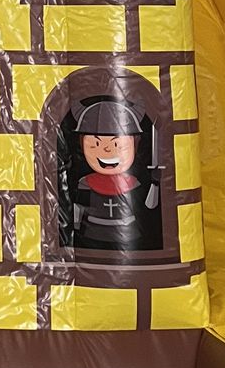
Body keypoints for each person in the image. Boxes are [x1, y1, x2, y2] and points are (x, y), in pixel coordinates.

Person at [60, 95, 162, 254]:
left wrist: (155, 184)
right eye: (95, 144)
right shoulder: (85, 183)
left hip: (129, 237)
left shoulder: (133, 183)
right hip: (91, 236)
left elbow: (149, 206)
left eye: (117, 144)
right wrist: (75, 230)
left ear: (135, 145)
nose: (107, 151)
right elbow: (78, 209)